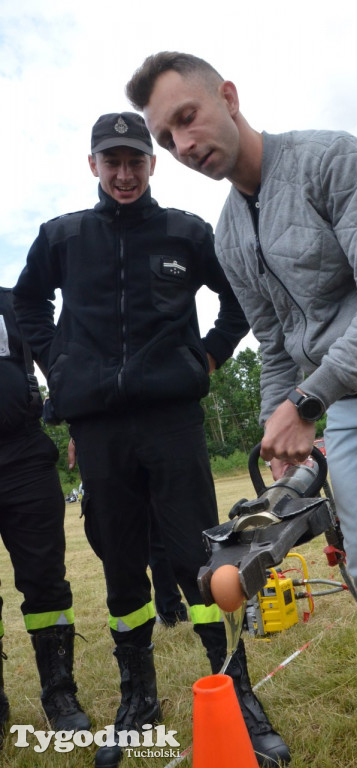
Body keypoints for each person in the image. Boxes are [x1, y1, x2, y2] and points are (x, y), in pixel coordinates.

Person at [125, 54, 357, 768]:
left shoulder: (334, 159)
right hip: (348, 399)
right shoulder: (230, 233)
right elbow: (273, 345)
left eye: (187, 118)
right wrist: (279, 422)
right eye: (167, 138)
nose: (182, 145)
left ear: (229, 97)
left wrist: (306, 401)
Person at [13, 112, 289, 768]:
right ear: (93, 167)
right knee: (119, 567)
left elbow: (240, 303)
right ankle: (138, 699)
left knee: (201, 563)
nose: (125, 173)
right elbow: (27, 307)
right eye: (112, 162)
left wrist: (206, 363)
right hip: (99, 430)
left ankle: (237, 690)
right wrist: (66, 367)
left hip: (172, 423)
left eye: (135, 160)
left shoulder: (187, 234)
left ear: (152, 164)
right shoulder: (62, 237)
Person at [0, 287, 90, 746]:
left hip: (23, 455)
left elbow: (59, 365)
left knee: (45, 581)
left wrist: (77, 423)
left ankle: (60, 694)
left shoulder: (15, 304)